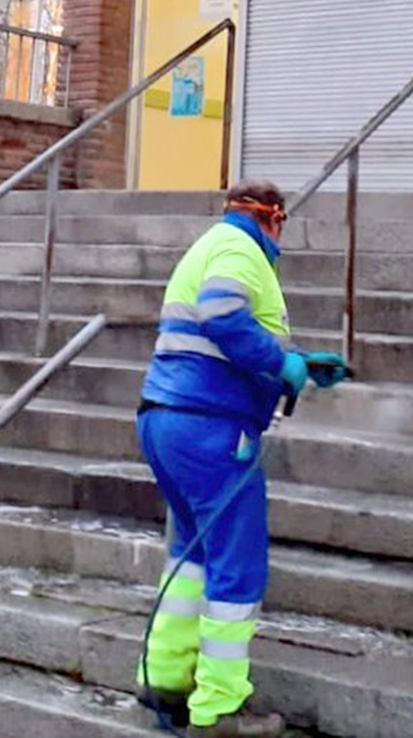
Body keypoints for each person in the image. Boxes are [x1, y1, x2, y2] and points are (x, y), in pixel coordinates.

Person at [135, 180, 344, 737]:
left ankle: (164, 678)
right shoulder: (241, 248)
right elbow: (223, 314)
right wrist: (280, 363)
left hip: (167, 418)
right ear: (274, 217)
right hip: (212, 428)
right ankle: (218, 709)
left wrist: (299, 362)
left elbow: (213, 330)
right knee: (236, 563)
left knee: (192, 556)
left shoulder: (210, 244)